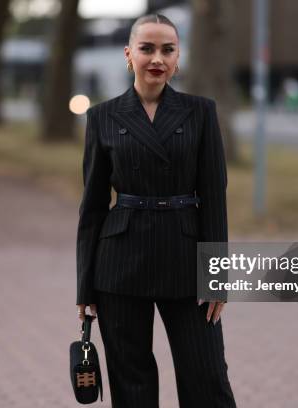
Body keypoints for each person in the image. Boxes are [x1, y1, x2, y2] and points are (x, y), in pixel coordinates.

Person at [75, 13, 237, 408]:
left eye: (168, 50)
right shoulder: (102, 117)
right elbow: (93, 206)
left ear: (178, 58)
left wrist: (216, 276)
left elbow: (214, 196)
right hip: (120, 264)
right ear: (129, 54)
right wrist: (84, 285)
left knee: (207, 375)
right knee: (131, 382)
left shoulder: (200, 112)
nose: (157, 59)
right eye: (147, 49)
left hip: (185, 259)